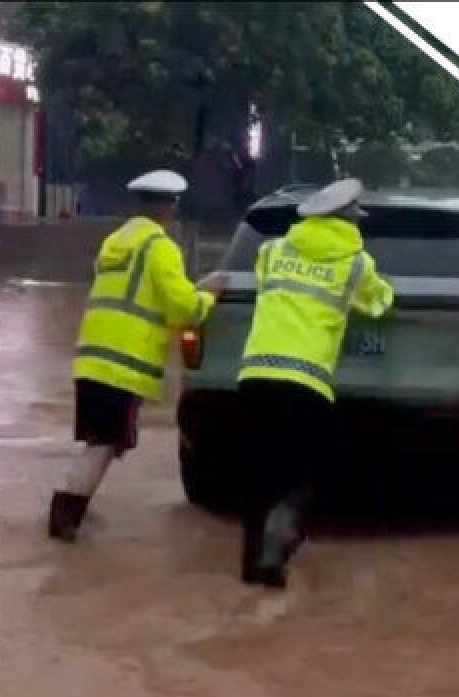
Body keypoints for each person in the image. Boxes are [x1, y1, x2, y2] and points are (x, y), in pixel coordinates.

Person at [48, 169, 226, 541]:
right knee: (104, 445)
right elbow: (182, 308)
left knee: (98, 442)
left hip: (91, 359)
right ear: (168, 207)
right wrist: (208, 294)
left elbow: (139, 295)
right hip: (123, 365)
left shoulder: (115, 242)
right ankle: (65, 516)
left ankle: (70, 505)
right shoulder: (159, 247)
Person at [237, 177, 394, 587]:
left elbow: (261, 284)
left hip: (255, 373)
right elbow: (377, 303)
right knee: (300, 474)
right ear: (347, 220)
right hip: (306, 380)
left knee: (259, 471)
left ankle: (251, 562)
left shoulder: (271, 250)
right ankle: (276, 550)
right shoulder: (356, 263)